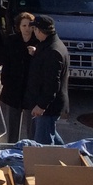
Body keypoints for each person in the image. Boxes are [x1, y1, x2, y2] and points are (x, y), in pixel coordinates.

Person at [24, 15, 69, 145]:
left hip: (48, 108)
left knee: (43, 147)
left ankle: (58, 163)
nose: (33, 32)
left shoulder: (53, 52)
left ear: (39, 30)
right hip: (48, 106)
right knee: (52, 135)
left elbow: (52, 83)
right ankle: (69, 157)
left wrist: (41, 106)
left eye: (34, 29)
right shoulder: (50, 45)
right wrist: (36, 53)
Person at [0, 11, 37, 143]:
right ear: (19, 27)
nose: (27, 29)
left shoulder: (38, 42)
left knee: (32, 128)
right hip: (13, 88)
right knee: (12, 126)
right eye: (24, 26)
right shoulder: (12, 40)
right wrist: (5, 81)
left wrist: (36, 54)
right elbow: (6, 62)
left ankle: (30, 151)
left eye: (30, 26)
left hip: (30, 90)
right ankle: (10, 150)